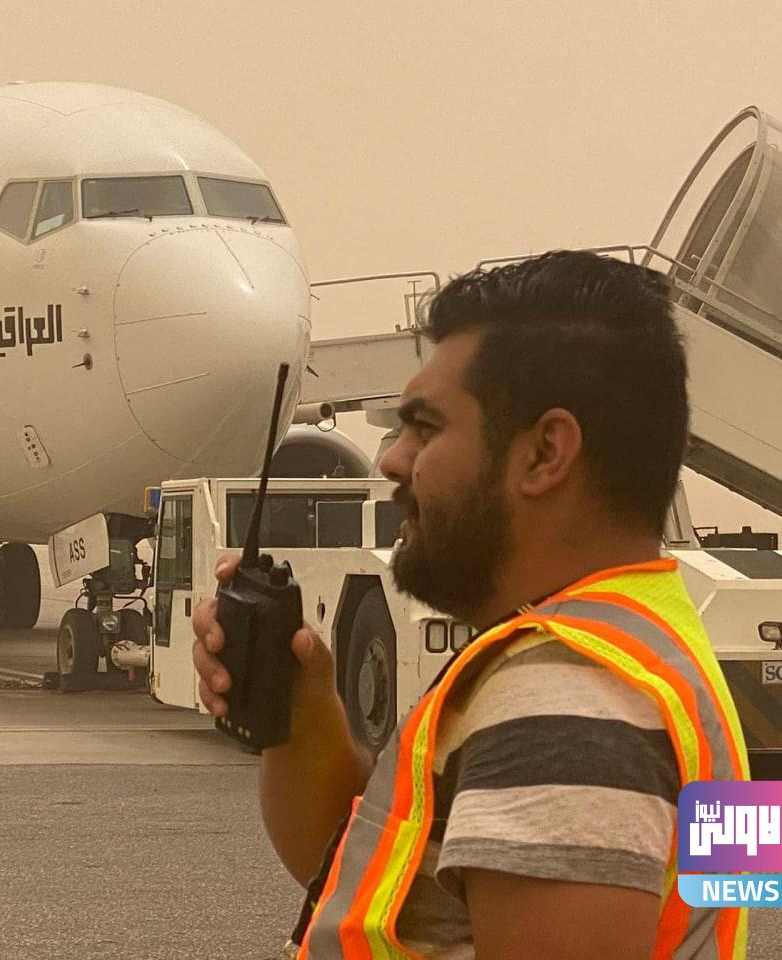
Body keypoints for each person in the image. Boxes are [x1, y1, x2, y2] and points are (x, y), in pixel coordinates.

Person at [192, 250, 749, 960]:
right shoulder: (646, 641)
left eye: (425, 428)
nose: (392, 459)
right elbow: (386, 884)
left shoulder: (563, 701)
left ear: (544, 453)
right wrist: (300, 711)